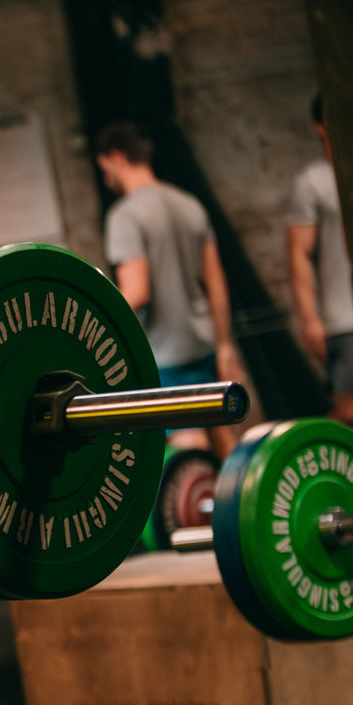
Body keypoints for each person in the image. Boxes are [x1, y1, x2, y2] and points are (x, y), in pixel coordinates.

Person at [95, 120, 242, 459]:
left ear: (116, 158)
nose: (106, 179)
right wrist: (224, 344)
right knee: (221, 438)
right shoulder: (190, 205)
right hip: (202, 344)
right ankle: (245, 493)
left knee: (186, 455)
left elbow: (137, 292)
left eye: (104, 169)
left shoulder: (124, 216)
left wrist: (96, 322)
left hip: (163, 356)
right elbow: (216, 283)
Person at [288, 94, 353, 431]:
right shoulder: (313, 182)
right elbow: (299, 253)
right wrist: (310, 319)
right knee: (351, 409)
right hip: (344, 319)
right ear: (321, 127)